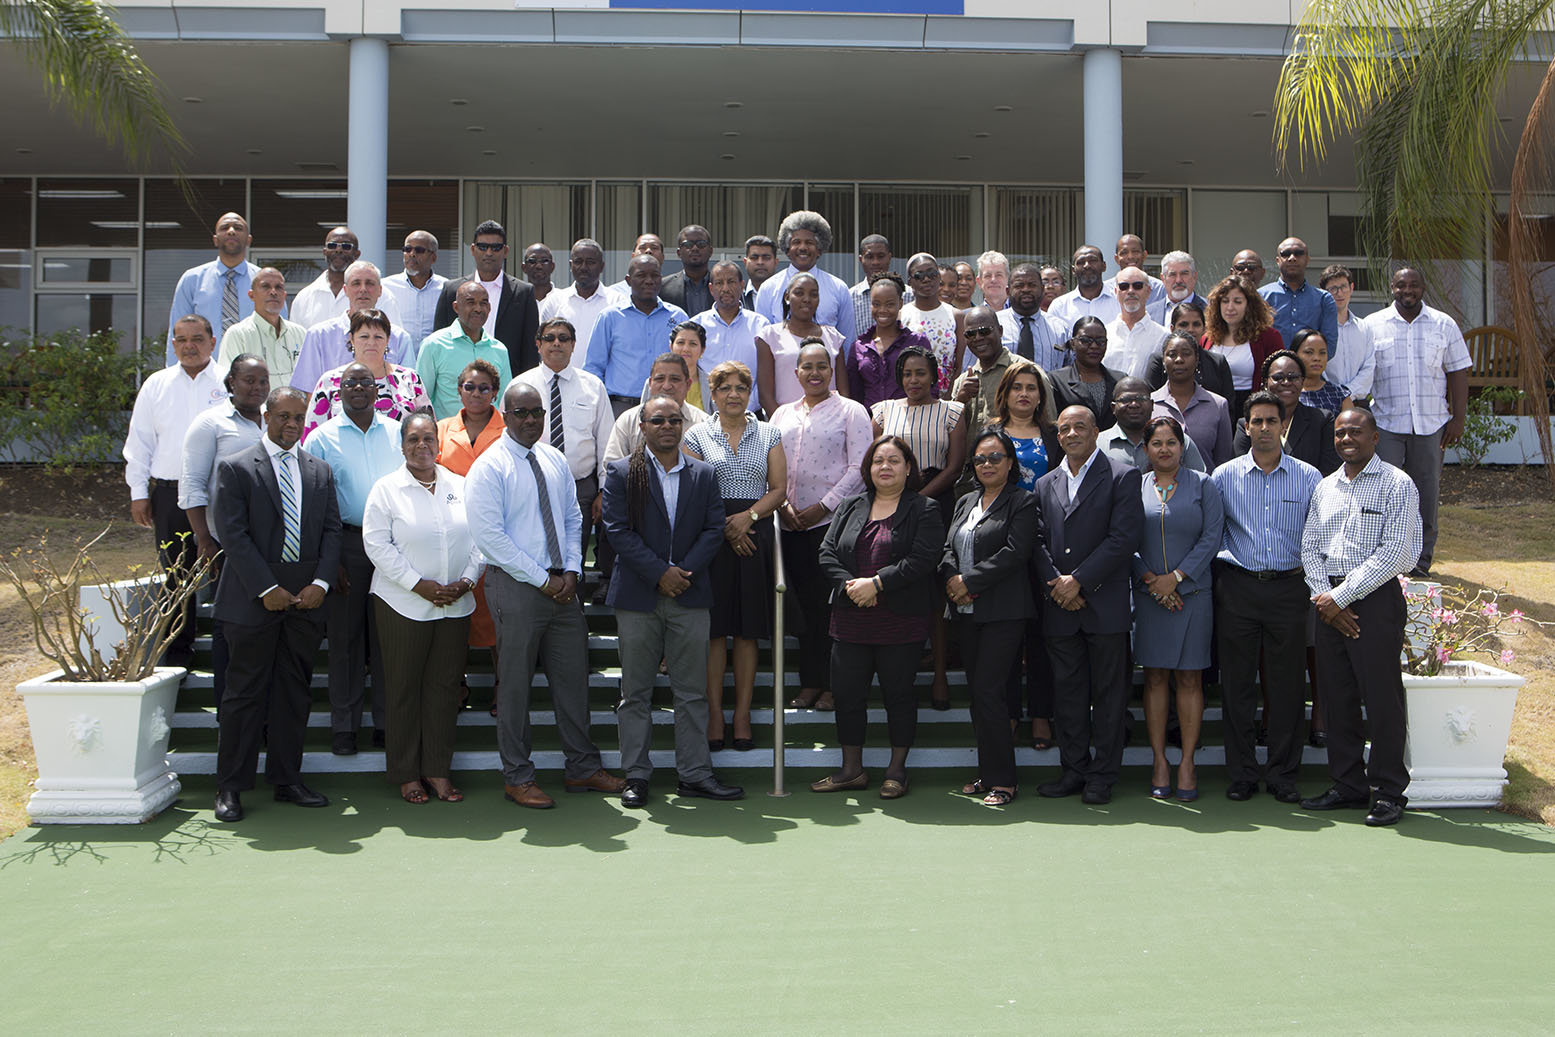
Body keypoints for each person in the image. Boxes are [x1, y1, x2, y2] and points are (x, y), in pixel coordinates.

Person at [466, 382, 627, 809]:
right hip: (517, 586)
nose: (531, 420)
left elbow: (573, 518)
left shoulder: (554, 459)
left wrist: (572, 570)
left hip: (563, 588)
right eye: (521, 413)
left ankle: (582, 767)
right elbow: (491, 539)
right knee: (515, 687)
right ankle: (517, 776)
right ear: (506, 414)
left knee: (573, 681)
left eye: (536, 412)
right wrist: (542, 579)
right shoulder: (490, 467)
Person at [603, 396, 745, 808]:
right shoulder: (620, 471)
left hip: (690, 592)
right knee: (635, 693)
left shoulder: (703, 474)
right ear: (642, 426)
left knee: (692, 692)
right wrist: (658, 573)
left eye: (673, 419)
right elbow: (617, 531)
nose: (666, 425)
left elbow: (713, 528)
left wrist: (681, 573)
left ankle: (695, 774)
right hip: (637, 597)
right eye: (657, 420)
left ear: (683, 424)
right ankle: (637, 775)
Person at [211, 386, 342, 822]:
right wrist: (266, 589)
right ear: (266, 417)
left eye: (298, 416)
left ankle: (286, 779)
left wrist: (321, 582)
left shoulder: (319, 470)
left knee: (293, 693)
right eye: (282, 415)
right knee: (243, 695)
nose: (290, 424)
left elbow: (331, 532)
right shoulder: (235, 468)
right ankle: (231, 786)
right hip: (253, 601)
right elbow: (232, 534)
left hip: (304, 602)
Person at [1300, 408, 1423, 826]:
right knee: (1336, 698)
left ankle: (1389, 790)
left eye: (1356, 431)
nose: (1347, 438)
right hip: (1328, 602)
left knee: (1382, 697)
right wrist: (1324, 597)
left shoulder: (1397, 484)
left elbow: (1395, 552)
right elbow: (1310, 546)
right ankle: (1348, 784)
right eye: (1340, 433)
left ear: (1374, 437)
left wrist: (1342, 597)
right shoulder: (1325, 486)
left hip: (1374, 600)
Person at [813, 435, 945, 799]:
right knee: (848, 695)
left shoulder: (925, 509)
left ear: (908, 468)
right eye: (877, 461)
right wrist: (853, 587)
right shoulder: (851, 505)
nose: (884, 467)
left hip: (900, 622)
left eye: (893, 461)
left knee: (898, 696)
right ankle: (851, 770)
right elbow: (826, 552)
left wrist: (878, 584)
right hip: (850, 618)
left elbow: (922, 559)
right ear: (868, 469)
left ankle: (896, 769)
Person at [362, 412, 482, 805]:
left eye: (428, 438)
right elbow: (377, 545)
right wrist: (419, 585)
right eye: (413, 440)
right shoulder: (386, 489)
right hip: (402, 604)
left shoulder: (461, 486)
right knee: (403, 689)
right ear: (402, 445)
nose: (422, 446)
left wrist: (466, 580)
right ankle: (406, 773)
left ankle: (438, 770)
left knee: (445, 690)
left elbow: (481, 538)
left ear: (439, 443)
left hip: (455, 604)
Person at [1211, 390, 1321, 804]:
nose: (1263, 428)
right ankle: (1241, 774)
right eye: (1255, 421)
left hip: (1290, 589)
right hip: (1238, 587)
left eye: (1271, 421)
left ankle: (1282, 774)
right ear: (1245, 426)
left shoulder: (1309, 477)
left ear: (1283, 426)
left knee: (1287, 687)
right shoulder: (1224, 476)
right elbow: (1214, 532)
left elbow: (1318, 536)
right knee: (1238, 686)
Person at [1032, 406, 1144, 804]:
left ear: (1096, 432)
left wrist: (1077, 580)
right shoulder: (1046, 483)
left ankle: (1103, 776)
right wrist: (1058, 586)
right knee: (1069, 695)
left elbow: (1123, 539)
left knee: (1110, 697)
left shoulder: (1122, 475)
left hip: (1105, 606)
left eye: (1081, 426)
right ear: (1058, 437)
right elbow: (1038, 540)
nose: (1073, 433)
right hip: (1060, 608)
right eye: (1065, 429)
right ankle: (1073, 771)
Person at [681, 362, 787, 752]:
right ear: (712, 393)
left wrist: (748, 518)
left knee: (746, 631)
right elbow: (690, 490)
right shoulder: (695, 435)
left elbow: (779, 489)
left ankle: (741, 715)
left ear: (749, 392)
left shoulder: (770, 433)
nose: (733, 394)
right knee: (712, 632)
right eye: (724, 387)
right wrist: (725, 528)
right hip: (709, 536)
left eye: (741, 387)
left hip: (754, 535)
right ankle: (713, 714)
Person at [302, 357, 403, 757]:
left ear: (378, 391)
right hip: (343, 546)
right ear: (337, 392)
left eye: (366, 382)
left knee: (386, 641)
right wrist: (329, 561)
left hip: (392, 547)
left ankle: (384, 723)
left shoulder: (398, 433)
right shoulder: (321, 439)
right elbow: (313, 504)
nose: (359, 388)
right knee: (344, 641)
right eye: (350, 383)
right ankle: (345, 727)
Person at [124, 314, 229, 668]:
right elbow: (139, 441)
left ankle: (224, 654)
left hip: (220, 494)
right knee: (176, 576)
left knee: (224, 573)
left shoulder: (229, 381)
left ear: (212, 342)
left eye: (197, 338)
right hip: (170, 494)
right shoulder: (157, 384)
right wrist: (139, 491)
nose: (189, 346)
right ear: (173, 344)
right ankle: (177, 659)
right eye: (181, 339)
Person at [771, 341, 872, 712]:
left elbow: (861, 468)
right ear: (795, 372)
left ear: (832, 371)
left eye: (822, 366)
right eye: (807, 367)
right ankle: (809, 681)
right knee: (799, 609)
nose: (814, 373)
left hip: (831, 525)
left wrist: (822, 507)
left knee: (829, 608)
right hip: (788, 523)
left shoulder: (851, 411)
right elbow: (771, 464)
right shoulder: (782, 415)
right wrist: (781, 503)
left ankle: (832, 685)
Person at [943, 427, 1039, 807]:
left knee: (990, 691)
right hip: (965, 610)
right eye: (980, 458)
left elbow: (1016, 552)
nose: (986, 464)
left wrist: (970, 580)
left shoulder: (1022, 502)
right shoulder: (966, 500)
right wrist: (951, 577)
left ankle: (1004, 781)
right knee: (979, 694)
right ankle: (988, 772)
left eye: (995, 457)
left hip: (1004, 612)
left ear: (1010, 462)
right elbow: (948, 545)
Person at [1132, 416, 1224, 801]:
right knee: (1155, 677)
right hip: (1151, 595)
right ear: (1146, 448)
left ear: (1182, 447)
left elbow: (1212, 535)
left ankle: (1186, 762)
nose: (1165, 449)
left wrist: (1179, 577)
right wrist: (1153, 580)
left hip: (1194, 596)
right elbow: (1125, 537)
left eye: (1172, 443)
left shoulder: (1204, 485)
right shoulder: (1133, 487)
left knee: (1189, 678)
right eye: (1157, 443)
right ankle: (1159, 760)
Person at [870, 346, 966, 709]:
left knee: (936, 594)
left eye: (921, 373)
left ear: (934, 376)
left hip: (935, 506)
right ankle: (899, 678)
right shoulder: (883, 411)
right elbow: (876, 461)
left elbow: (954, 467)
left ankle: (940, 674)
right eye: (907, 374)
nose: (914, 380)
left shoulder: (952, 412)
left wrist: (919, 500)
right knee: (898, 587)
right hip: (890, 506)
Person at [1362, 266, 1471, 575]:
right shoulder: (1373, 325)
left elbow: (1458, 372)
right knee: (1385, 494)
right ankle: (1386, 564)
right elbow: (1363, 375)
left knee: (1426, 495)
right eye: (1401, 285)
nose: (1407, 290)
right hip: (1385, 426)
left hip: (1431, 425)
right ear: (1392, 288)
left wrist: (1458, 419)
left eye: (1413, 285)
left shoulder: (1443, 324)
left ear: (1423, 287)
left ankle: (1421, 564)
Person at [180, 353, 270, 714]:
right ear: (231, 382)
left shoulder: (275, 423)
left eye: (263, 380)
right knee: (229, 629)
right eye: (249, 380)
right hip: (227, 546)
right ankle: (228, 710)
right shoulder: (210, 424)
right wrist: (205, 539)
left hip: (273, 549)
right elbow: (192, 487)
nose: (257, 387)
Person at [989, 361, 1061, 750]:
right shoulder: (992, 435)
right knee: (1006, 638)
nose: (1024, 394)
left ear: (1041, 395)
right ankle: (1010, 715)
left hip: (1047, 543)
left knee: (1041, 636)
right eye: (1017, 387)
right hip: (1004, 544)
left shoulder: (1053, 435)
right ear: (1005, 392)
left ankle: (1041, 716)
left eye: (1032, 387)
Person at [436, 359, 506, 711]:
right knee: (456, 615)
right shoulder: (440, 429)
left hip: (498, 533)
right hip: (453, 535)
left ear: (495, 392)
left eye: (484, 388)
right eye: (469, 387)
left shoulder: (510, 429)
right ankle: (457, 686)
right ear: (458, 390)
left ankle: (502, 688)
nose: (476, 394)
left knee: (497, 615)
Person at [516, 318, 616, 562]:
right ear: (538, 345)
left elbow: (606, 442)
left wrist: (604, 490)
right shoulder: (520, 386)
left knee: (574, 556)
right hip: (531, 484)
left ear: (573, 345)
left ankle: (574, 600)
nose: (556, 343)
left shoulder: (593, 386)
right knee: (535, 553)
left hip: (579, 487)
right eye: (549, 338)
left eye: (563, 338)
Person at [586, 253, 690, 416]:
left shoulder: (677, 317)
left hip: (668, 407)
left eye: (654, 275)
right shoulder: (610, 317)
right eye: (641, 275)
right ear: (628, 280)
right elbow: (594, 367)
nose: (649, 280)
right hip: (620, 406)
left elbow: (689, 364)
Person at [302, 309, 429, 442]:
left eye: (378, 337)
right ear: (351, 339)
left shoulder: (410, 379)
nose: (371, 342)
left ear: (388, 340)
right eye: (364, 336)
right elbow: (311, 434)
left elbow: (428, 427)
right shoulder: (329, 381)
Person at [289, 261, 416, 394]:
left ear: (380, 290)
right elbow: (308, 392)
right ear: (345, 290)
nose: (363, 289)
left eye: (370, 283)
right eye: (356, 283)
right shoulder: (319, 335)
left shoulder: (399, 338)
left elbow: (408, 389)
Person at [432, 219, 540, 372]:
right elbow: (438, 340)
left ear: (505, 251)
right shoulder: (451, 290)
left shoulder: (523, 292)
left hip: (506, 381)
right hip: (457, 380)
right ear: (473, 249)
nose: (489, 253)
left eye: (496, 247)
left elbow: (530, 350)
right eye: (483, 247)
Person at [165, 212, 260, 363]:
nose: (231, 231)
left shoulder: (264, 282)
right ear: (215, 240)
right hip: (204, 373)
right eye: (224, 228)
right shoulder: (192, 280)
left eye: (238, 227)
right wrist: (173, 378)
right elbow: (177, 333)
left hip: (253, 376)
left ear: (249, 240)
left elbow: (280, 334)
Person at [417, 280, 514, 420]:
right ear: (456, 307)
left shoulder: (499, 350)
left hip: (490, 438)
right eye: (470, 302)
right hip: (447, 438)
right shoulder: (433, 345)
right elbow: (422, 401)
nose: (478, 309)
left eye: (483, 303)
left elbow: (505, 401)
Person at [1231, 350, 1341, 474]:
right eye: (1278, 378)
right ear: (1265, 383)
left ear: (1302, 382)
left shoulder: (1322, 420)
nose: (1286, 383)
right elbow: (1239, 469)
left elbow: (1329, 471)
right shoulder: (1247, 423)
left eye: (1293, 377)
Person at [755, 271, 849, 415]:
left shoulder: (834, 337)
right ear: (787, 297)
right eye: (799, 293)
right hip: (785, 425)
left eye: (813, 294)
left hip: (831, 424)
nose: (806, 299)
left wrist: (839, 421)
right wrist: (783, 426)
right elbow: (765, 395)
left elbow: (843, 392)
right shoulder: (769, 336)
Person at [753, 210, 852, 330]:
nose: (803, 247)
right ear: (787, 249)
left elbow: (847, 341)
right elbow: (762, 338)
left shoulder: (838, 289)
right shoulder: (768, 288)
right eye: (796, 242)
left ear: (819, 249)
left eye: (809, 242)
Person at [843, 271, 927, 412]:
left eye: (889, 304)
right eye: (876, 304)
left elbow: (930, 387)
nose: (882, 310)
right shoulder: (859, 346)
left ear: (900, 304)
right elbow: (854, 395)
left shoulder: (917, 342)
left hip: (908, 423)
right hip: (869, 425)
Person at [1151, 333, 1235, 469]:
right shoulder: (1150, 404)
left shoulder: (1218, 405)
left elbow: (1224, 461)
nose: (1179, 359)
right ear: (1163, 361)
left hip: (1205, 488)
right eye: (1172, 354)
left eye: (1186, 354)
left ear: (1197, 360)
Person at [1204, 273, 1283, 416]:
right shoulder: (1207, 338)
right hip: (1214, 409)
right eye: (1225, 301)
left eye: (1237, 301)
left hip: (1252, 410)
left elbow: (1278, 379)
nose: (1230, 307)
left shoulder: (1269, 337)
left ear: (1249, 306)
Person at [692, 261, 765, 411]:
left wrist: (749, 407)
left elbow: (766, 375)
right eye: (719, 283)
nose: (725, 288)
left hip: (750, 412)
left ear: (742, 285)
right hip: (707, 413)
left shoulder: (760, 325)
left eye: (731, 282)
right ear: (711, 289)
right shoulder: (697, 325)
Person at [217, 267, 305, 386]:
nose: (273, 292)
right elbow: (228, 382)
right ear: (251, 295)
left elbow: (310, 378)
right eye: (266, 287)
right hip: (256, 405)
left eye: (278, 287)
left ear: (284, 296)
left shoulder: (300, 333)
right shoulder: (238, 334)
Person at [290, 227, 388, 331]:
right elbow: (296, 343)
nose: (338, 250)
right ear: (324, 252)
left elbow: (393, 338)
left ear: (357, 254)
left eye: (346, 246)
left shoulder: (381, 296)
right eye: (332, 246)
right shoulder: (304, 298)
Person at [1103, 376, 1208, 472]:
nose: (1134, 404)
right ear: (1113, 407)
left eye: (1141, 399)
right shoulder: (1097, 445)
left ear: (1152, 405)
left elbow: (1200, 484)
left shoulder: (1179, 440)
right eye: (1126, 399)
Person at [538, 239, 613, 371]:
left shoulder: (616, 302)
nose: (583, 267)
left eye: (590, 262)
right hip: (560, 383)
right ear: (570, 265)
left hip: (602, 385)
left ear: (602, 266)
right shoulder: (554, 302)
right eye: (578, 262)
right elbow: (544, 346)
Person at [1143, 302, 1236, 401]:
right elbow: (1149, 400)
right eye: (1184, 325)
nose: (1190, 329)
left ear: (1204, 329)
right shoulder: (1159, 360)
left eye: (1196, 324)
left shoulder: (1217, 362)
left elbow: (1228, 405)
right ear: (1172, 329)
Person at [900, 253, 965, 393]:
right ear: (910, 281)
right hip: (911, 396)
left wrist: (948, 398)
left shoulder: (956, 316)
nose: (927, 279)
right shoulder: (901, 315)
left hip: (946, 397)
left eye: (932, 274)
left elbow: (959, 366)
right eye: (919, 275)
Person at [1259, 237, 1338, 350]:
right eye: (1286, 254)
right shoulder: (1261, 297)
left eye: (1298, 253)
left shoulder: (1324, 299)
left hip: (1309, 367)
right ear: (1277, 261)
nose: (1292, 258)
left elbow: (1329, 345)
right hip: (1271, 366)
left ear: (1307, 259)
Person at [1048, 316, 1124, 430]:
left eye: (1100, 341)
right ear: (1073, 343)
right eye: (1085, 340)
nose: (1094, 346)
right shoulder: (1056, 380)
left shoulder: (1120, 380)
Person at [382, 230, 448, 350]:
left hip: (434, 361)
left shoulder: (446, 288)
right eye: (407, 249)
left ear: (433, 257)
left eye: (419, 250)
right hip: (397, 360)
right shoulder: (385, 287)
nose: (412, 254)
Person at [1318, 264, 1375, 399]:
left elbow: (1369, 367)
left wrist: (1347, 393)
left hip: (1358, 403)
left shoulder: (1365, 328)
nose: (1339, 293)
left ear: (1351, 288)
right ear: (1324, 292)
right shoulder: (1318, 329)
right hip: (1326, 401)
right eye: (1333, 289)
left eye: (1343, 287)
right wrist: (1335, 395)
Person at [1103, 266, 1171, 378]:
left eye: (1137, 286)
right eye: (1124, 286)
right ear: (1116, 292)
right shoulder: (1105, 334)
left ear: (1148, 291)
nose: (1130, 291)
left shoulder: (1163, 337)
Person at [999, 263, 1068, 370]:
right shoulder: (994, 324)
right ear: (1008, 291)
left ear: (1042, 289)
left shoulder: (1060, 329)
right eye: (1019, 286)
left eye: (1032, 285)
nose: (1026, 289)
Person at [850, 234, 910, 340]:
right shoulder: (850, 297)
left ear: (889, 257)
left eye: (881, 256)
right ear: (860, 259)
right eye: (869, 257)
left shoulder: (909, 294)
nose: (875, 262)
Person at [1048, 245, 1120, 328]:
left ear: (1104, 266)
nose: (1087, 266)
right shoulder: (1059, 306)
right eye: (1081, 262)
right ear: (1073, 270)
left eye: (1092, 260)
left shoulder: (1119, 301)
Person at [1293, 328, 1352, 414]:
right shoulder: (1286, 392)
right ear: (1295, 355)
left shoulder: (1339, 395)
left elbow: (1350, 426)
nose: (1317, 358)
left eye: (1322, 353)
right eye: (1309, 352)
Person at [659, 225, 714, 316]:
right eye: (688, 244)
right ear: (679, 253)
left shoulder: (722, 285)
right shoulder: (663, 288)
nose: (695, 248)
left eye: (701, 244)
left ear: (711, 251)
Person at [655, 320, 710, 410]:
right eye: (680, 343)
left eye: (693, 344)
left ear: (702, 350)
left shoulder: (711, 383)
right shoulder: (656, 381)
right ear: (671, 347)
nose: (686, 349)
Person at [1146, 250, 1208, 324]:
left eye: (1184, 274)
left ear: (1194, 276)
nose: (1178, 280)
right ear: (1163, 278)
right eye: (1172, 274)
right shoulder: (1148, 313)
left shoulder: (1210, 309)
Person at [1104, 234, 1166, 306]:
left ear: (1144, 255)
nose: (1130, 257)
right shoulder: (1106, 290)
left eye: (1135, 251)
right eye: (1124, 253)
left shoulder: (1160, 289)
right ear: (1116, 259)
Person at [741, 234, 778, 310]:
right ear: (745, 262)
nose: (760, 262)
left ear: (776, 262)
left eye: (766, 258)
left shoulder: (785, 294)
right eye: (754, 258)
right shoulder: (736, 296)